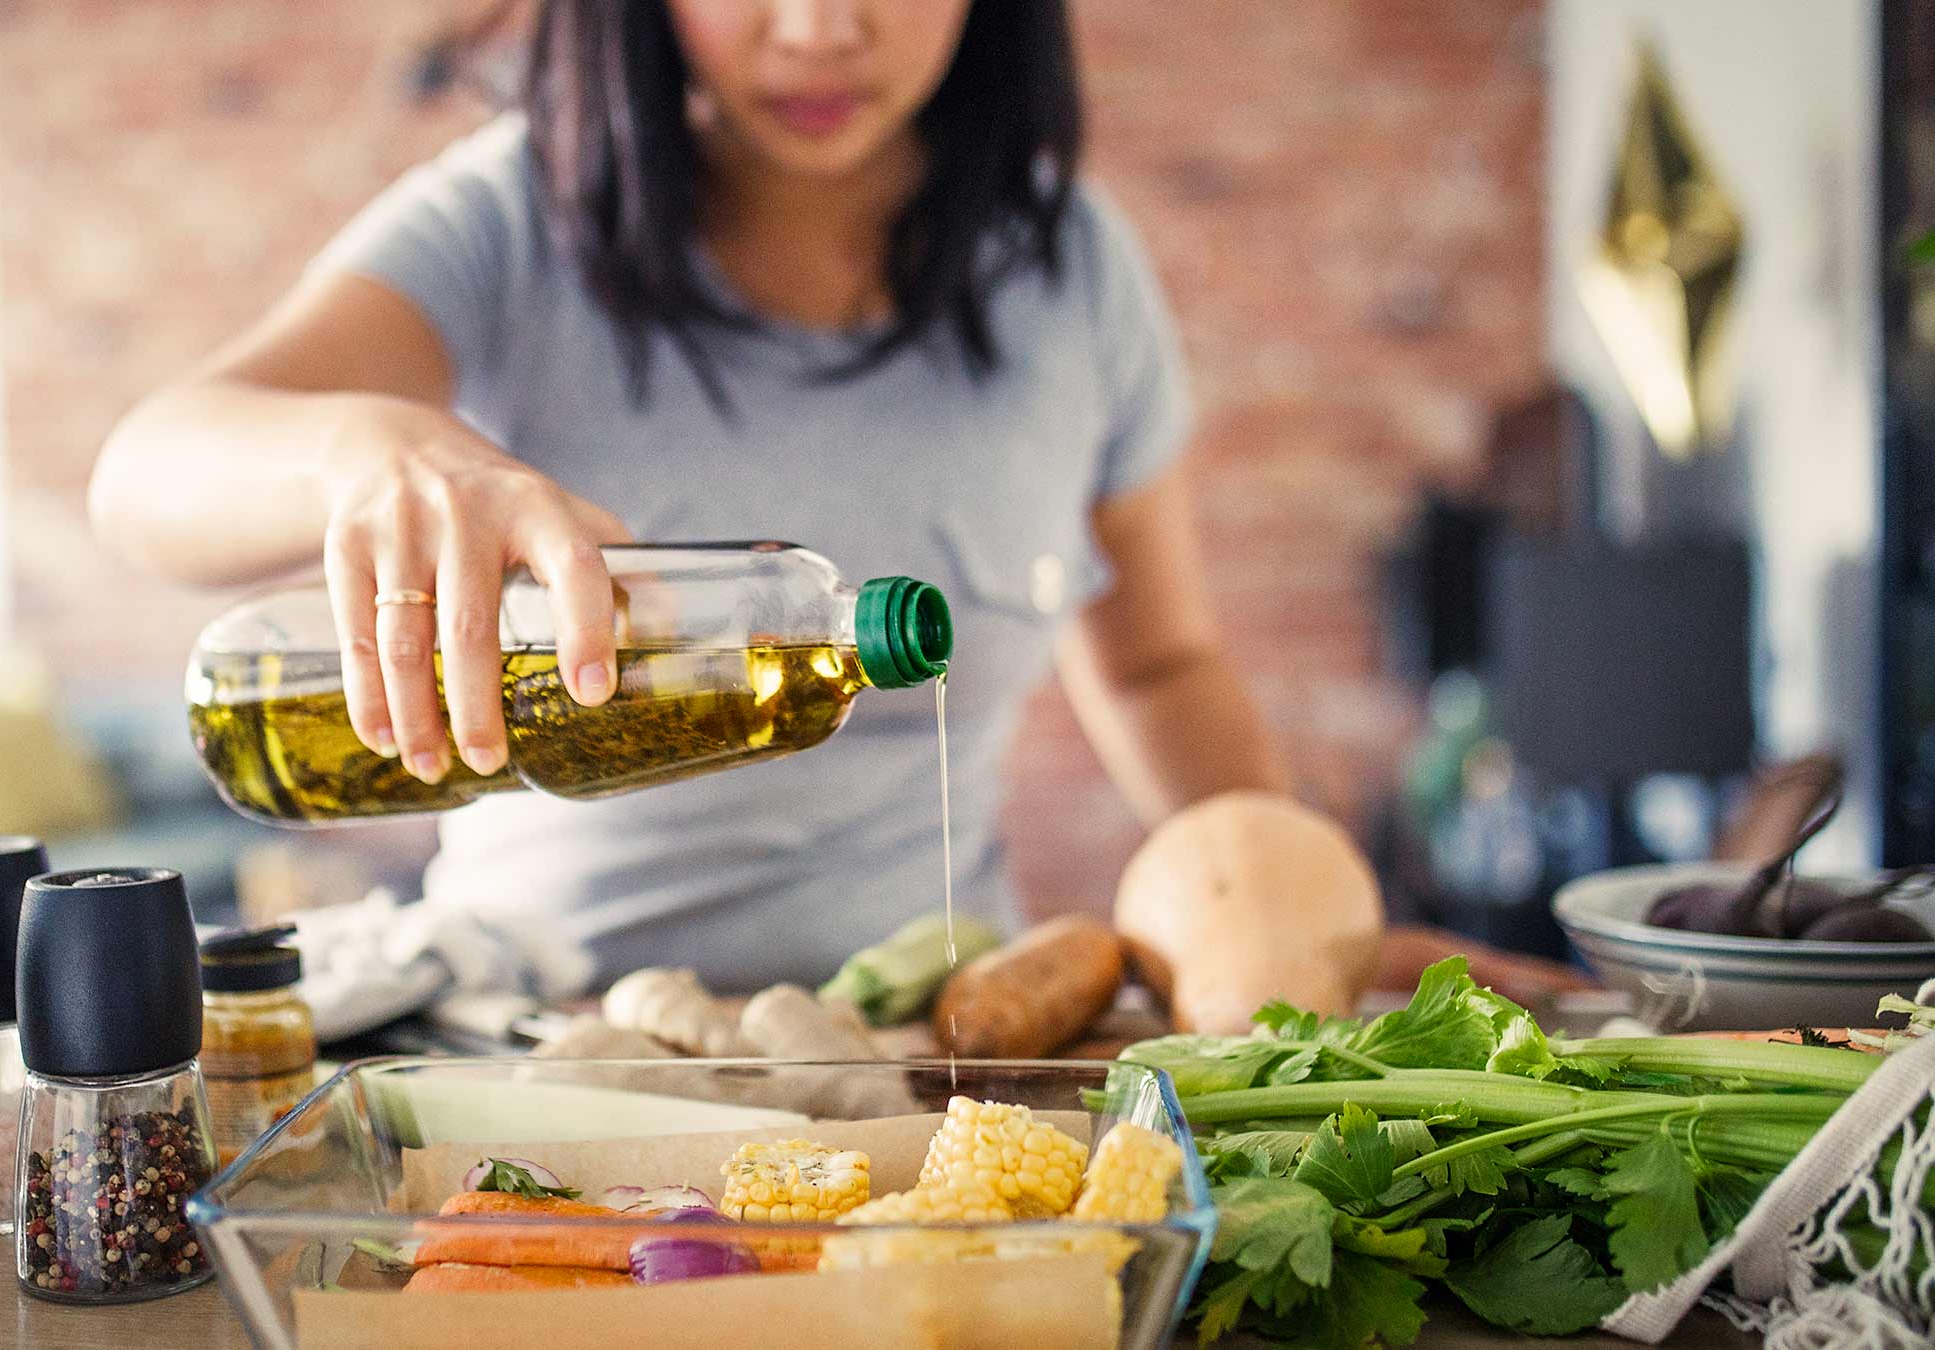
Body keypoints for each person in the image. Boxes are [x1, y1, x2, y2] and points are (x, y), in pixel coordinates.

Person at [91, 0, 1578, 1004]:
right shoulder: (508, 222)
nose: (819, 26)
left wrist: (1307, 915)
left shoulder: (1076, 273)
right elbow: (148, 469)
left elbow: (1161, 659)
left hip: (942, 1049)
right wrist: (369, 448)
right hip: (540, 1039)